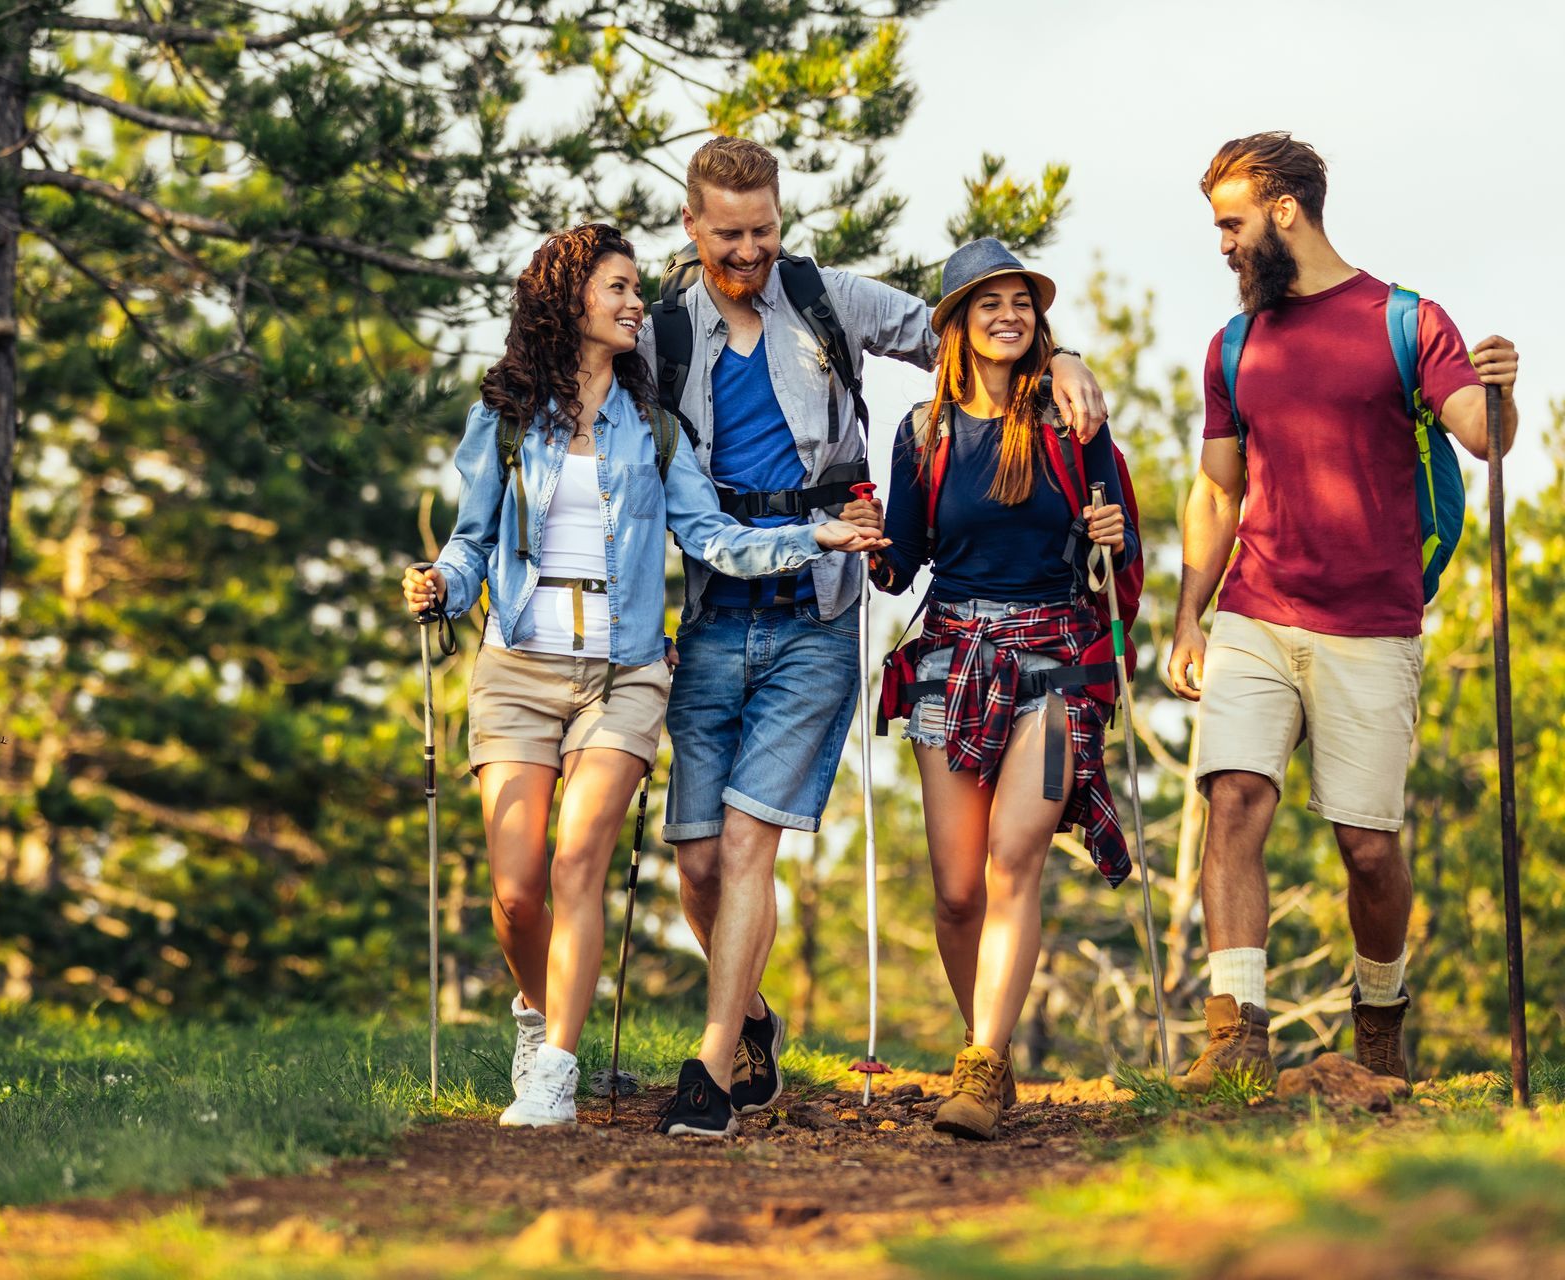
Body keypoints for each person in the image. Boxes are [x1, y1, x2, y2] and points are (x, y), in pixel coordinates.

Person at [639, 136, 1110, 1139]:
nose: (751, 249)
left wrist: (1061, 351)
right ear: (692, 227)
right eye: (729, 234)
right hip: (720, 599)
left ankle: (718, 1069)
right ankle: (759, 1028)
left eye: (765, 229)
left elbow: (959, 329)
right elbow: (602, 414)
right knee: (701, 866)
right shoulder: (663, 332)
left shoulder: (821, 297)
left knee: (755, 837)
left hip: (825, 602)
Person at [401, 223, 886, 1129]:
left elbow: (711, 537)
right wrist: (441, 586)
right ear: (568, 299)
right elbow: (471, 546)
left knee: (579, 860)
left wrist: (810, 537)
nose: (637, 306)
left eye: (635, 290)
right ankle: (538, 1012)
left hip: (622, 675)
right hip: (515, 669)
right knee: (516, 891)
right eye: (619, 289)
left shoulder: (656, 430)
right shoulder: (502, 417)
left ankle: (555, 1073)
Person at [1169, 133, 1520, 1089]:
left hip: (1372, 623)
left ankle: (1378, 1016)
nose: (1224, 245)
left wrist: (1501, 388)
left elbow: (1484, 437)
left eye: (1232, 223)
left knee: (1367, 848)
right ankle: (1236, 1034)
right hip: (1256, 608)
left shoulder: (1406, 321)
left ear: (1285, 211)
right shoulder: (1233, 345)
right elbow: (1216, 492)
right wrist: (1189, 614)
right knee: (1233, 798)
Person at [871, 239, 1134, 1141]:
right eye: (988, 305)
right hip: (952, 653)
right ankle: (987, 1041)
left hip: (1055, 655)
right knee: (955, 889)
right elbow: (901, 566)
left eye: (1021, 302)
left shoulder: (1071, 420)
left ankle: (980, 1067)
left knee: (1016, 855)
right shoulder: (921, 434)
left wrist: (1113, 531)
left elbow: (1119, 550)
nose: (1008, 316)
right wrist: (875, 541)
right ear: (954, 324)